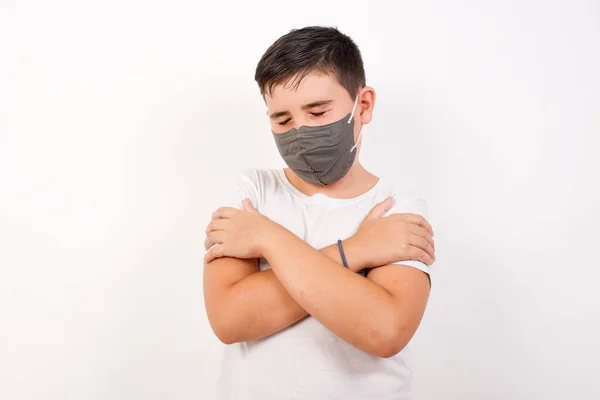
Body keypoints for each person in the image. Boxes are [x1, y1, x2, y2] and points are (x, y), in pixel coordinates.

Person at [203, 26, 436, 400]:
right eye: (282, 120)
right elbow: (231, 319)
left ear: (363, 105)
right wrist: (357, 250)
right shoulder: (253, 193)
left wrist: (265, 237)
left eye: (317, 111)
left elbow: (384, 330)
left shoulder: (397, 207)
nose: (300, 131)